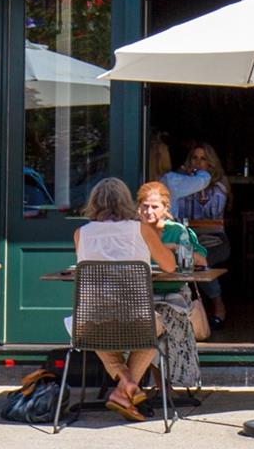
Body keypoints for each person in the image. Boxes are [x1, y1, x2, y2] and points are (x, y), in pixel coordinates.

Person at [72, 177, 172, 422]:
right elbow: (169, 266)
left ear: (93, 202)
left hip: (95, 321)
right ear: (127, 202)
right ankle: (126, 388)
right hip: (136, 319)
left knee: (90, 328)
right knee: (154, 332)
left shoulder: (81, 233)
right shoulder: (140, 229)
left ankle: (123, 387)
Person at [135, 182, 207, 394]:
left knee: (161, 319)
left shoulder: (178, 231)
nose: (149, 211)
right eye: (145, 206)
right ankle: (149, 385)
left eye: (155, 206)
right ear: (138, 208)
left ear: (166, 208)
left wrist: (175, 248)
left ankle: (144, 385)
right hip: (140, 293)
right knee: (145, 324)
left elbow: (202, 260)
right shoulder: (133, 230)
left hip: (172, 293)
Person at [162, 142, 231, 327]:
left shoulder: (218, 186)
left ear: (211, 163)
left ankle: (218, 305)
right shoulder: (180, 182)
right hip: (188, 238)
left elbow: (210, 212)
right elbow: (177, 212)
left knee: (198, 263)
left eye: (203, 159)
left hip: (214, 239)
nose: (198, 163)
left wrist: (198, 184)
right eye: (195, 158)